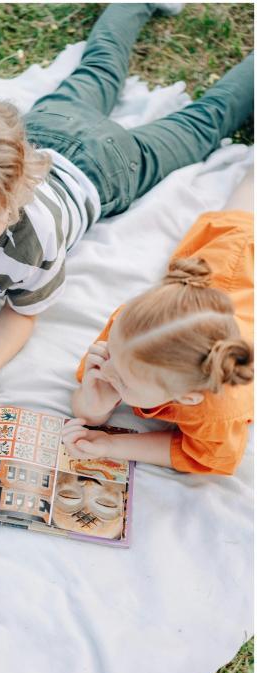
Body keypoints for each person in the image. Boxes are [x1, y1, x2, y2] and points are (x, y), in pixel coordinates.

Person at [0, 3, 253, 385]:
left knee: (204, 121)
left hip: (109, 167)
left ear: (20, 189)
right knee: (99, 68)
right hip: (49, 126)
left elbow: (23, 311)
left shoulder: (33, 246)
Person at [64, 173, 254, 475]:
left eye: (124, 381)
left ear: (186, 397)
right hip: (218, 278)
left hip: (239, 291)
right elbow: (87, 411)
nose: (107, 369)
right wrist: (94, 402)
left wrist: (114, 446)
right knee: (233, 228)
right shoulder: (131, 330)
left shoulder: (218, 412)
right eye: (112, 353)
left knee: (243, 234)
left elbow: (201, 456)